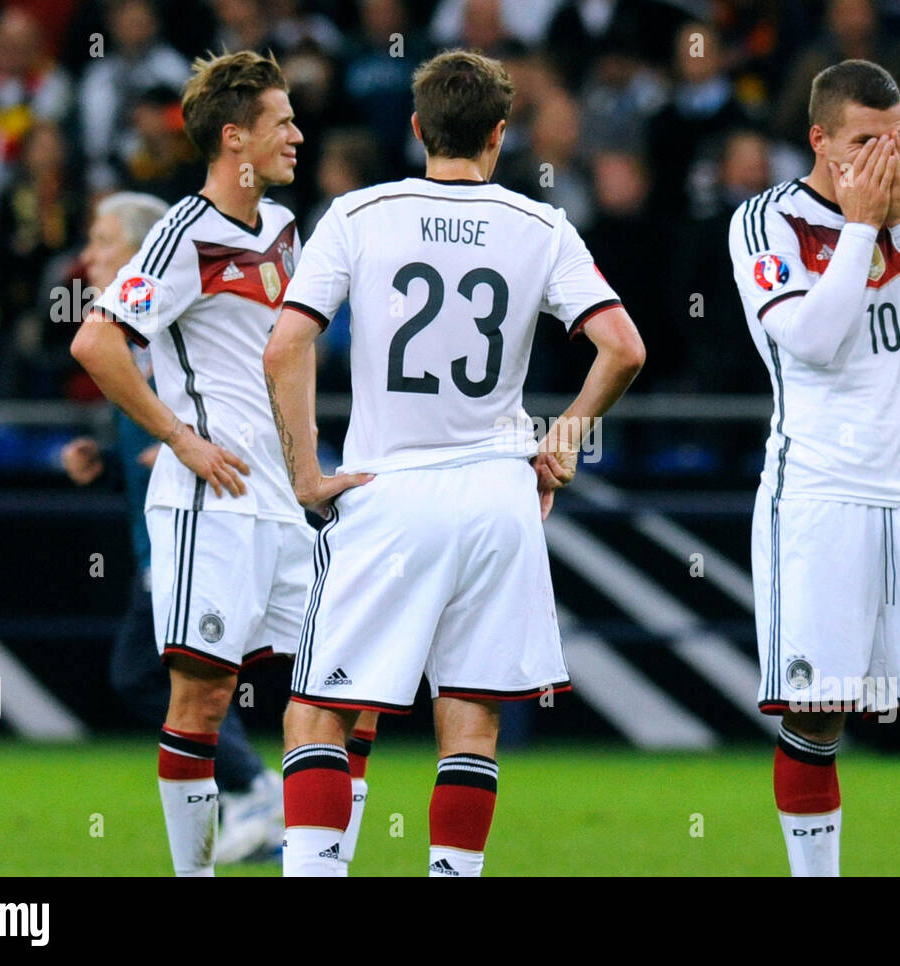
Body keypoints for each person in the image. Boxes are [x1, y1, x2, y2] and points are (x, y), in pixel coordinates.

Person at [264, 49, 644, 877]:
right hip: (498, 495)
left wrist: (303, 472)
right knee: (470, 717)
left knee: (319, 712)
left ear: (415, 128)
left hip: (387, 488)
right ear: (501, 134)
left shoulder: (360, 214)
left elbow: (286, 342)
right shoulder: (540, 225)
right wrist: (564, 442)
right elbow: (622, 348)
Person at [727, 59, 900, 876]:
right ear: (820, 140)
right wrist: (858, 228)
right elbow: (811, 339)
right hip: (819, 497)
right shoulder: (763, 222)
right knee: (819, 714)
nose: (887, 157)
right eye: (866, 141)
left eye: (899, 138)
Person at [70, 51, 312, 877]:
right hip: (212, 503)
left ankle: (315, 861)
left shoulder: (284, 229)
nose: (298, 136)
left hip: (285, 503)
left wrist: (312, 474)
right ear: (235, 138)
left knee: (335, 695)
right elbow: (96, 340)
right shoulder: (184, 233)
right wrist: (179, 436)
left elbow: (290, 361)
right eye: (283, 122)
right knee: (200, 699)